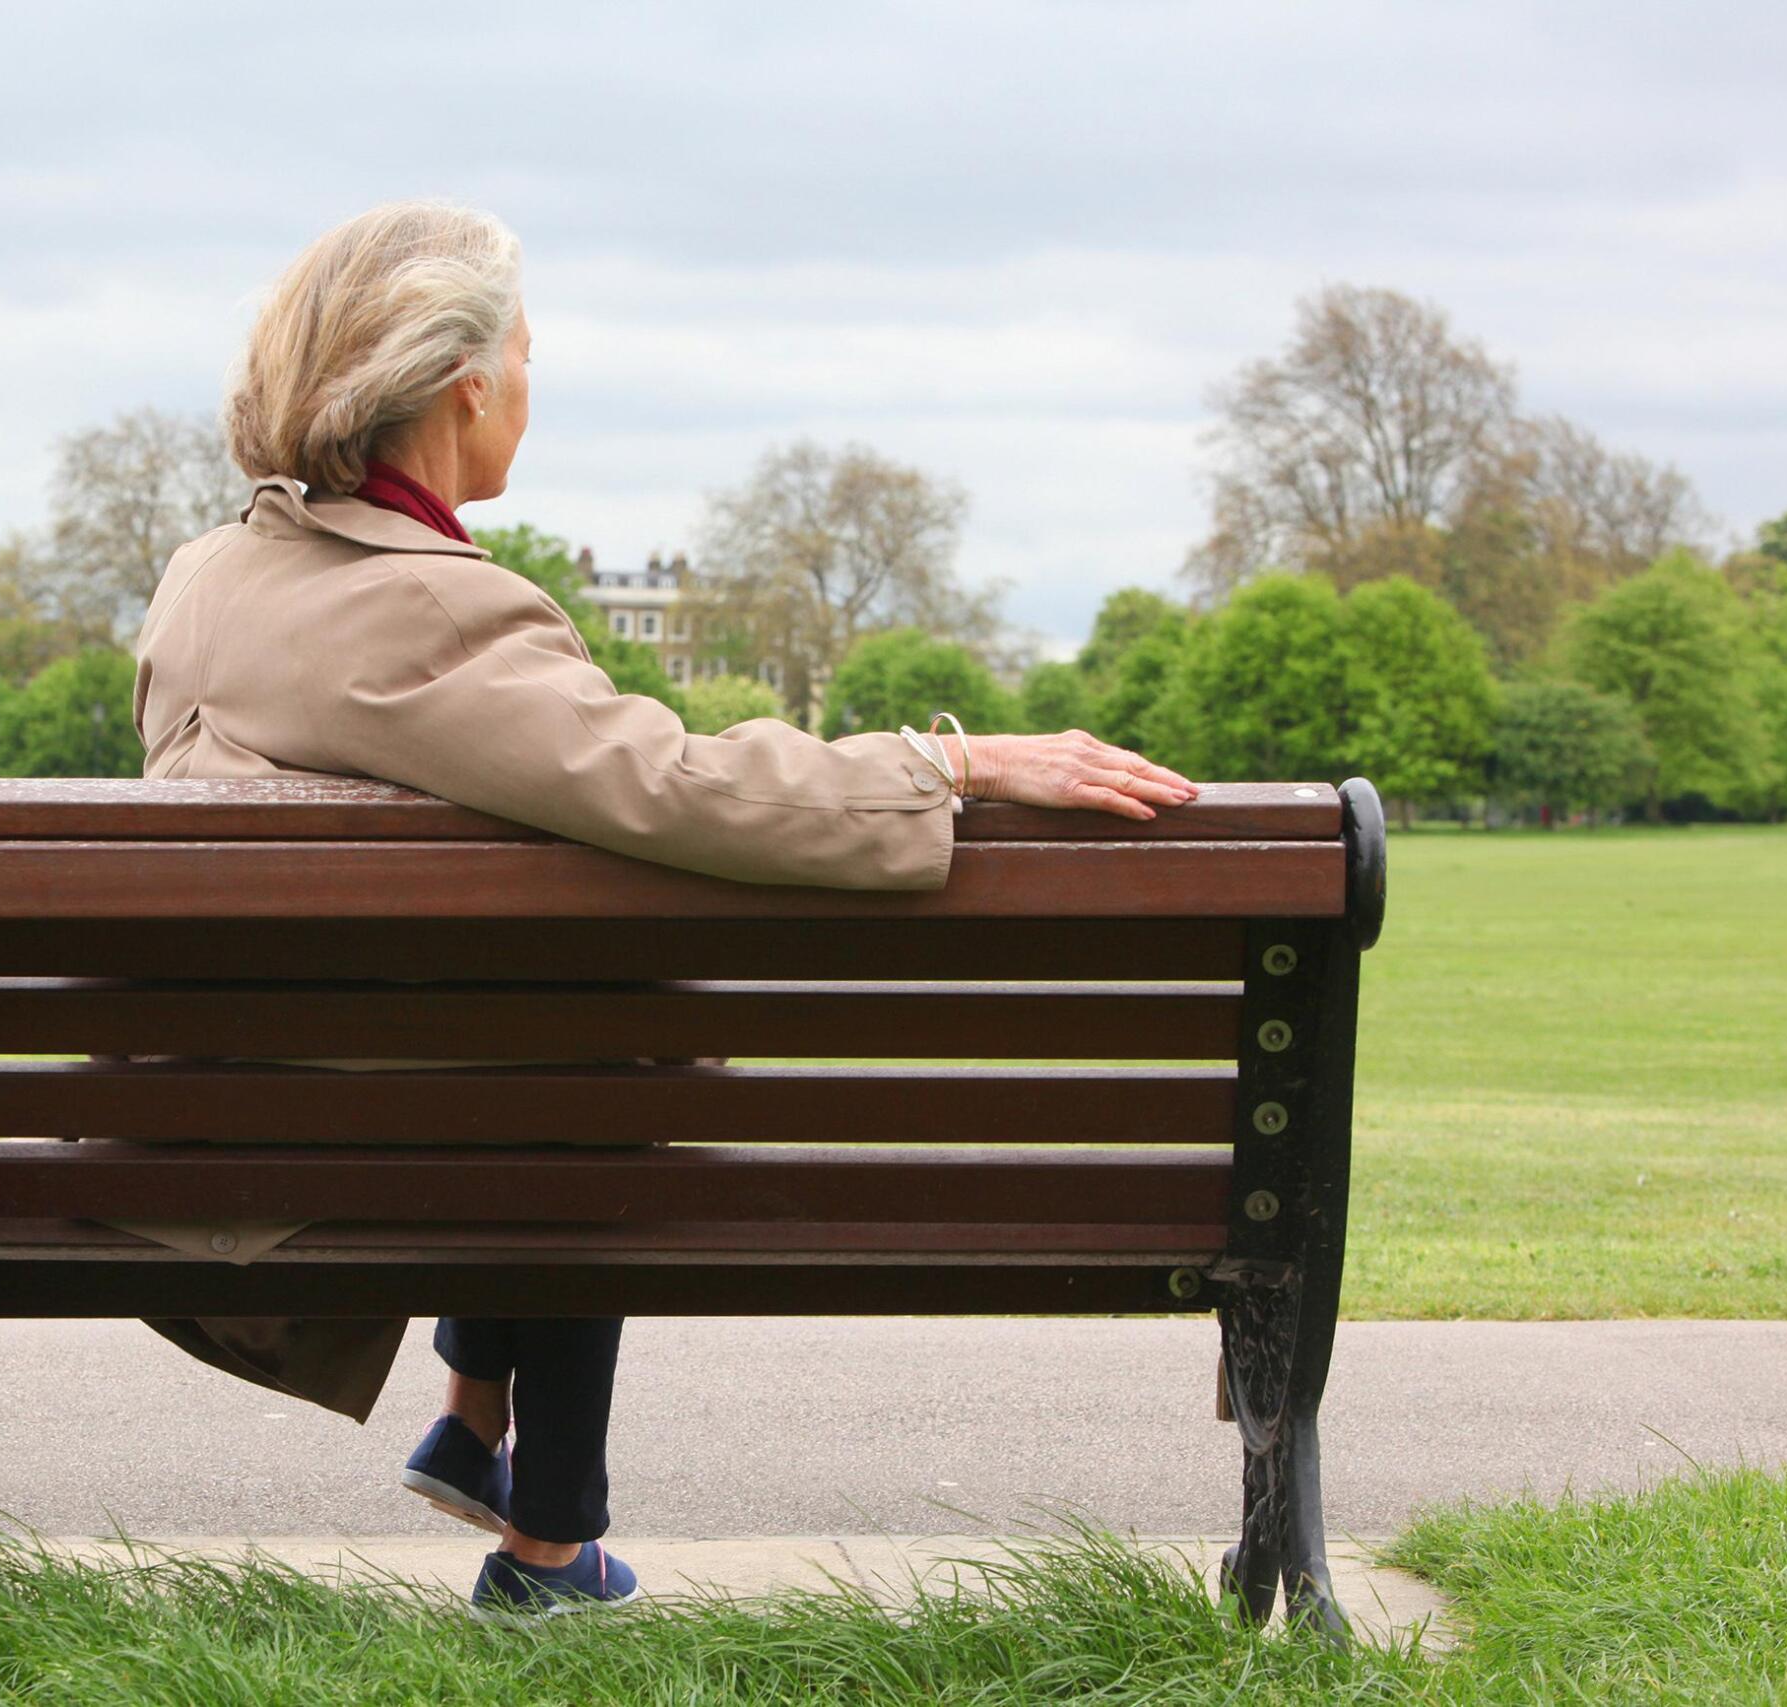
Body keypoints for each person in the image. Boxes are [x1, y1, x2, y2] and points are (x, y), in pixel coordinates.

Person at [128, 200, 1198, 1614]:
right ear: (466, 388)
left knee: (572, 1050)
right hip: (331, 1161)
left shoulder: (207, 578)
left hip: (196, 1121)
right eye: (526, 355)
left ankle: (485, 1427)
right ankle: (547, 1542)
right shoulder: (430, 613)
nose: (528, 383)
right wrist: (951, 758)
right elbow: (682, 787)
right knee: (618, 1061)